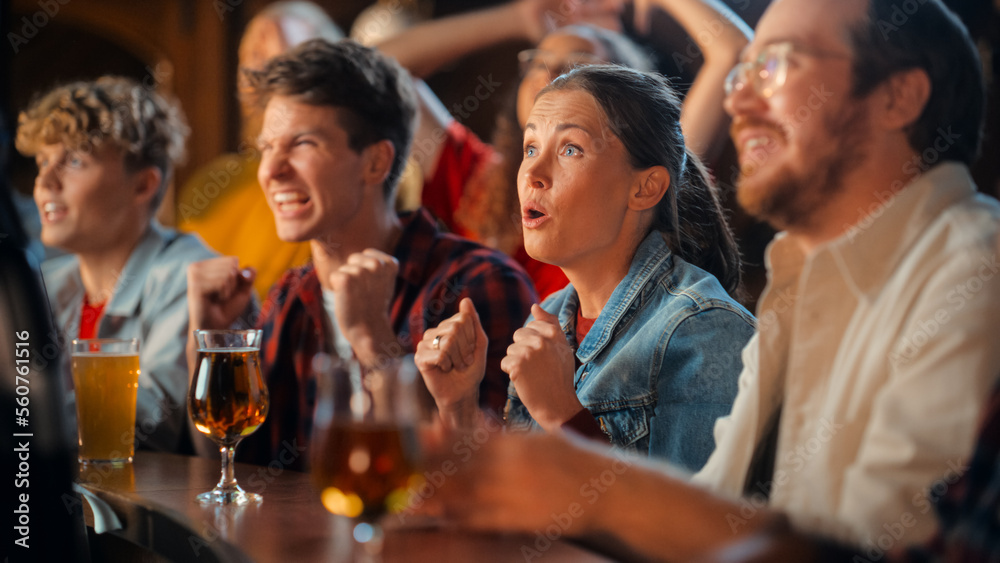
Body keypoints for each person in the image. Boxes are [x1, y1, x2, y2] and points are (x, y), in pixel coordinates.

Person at [409, 0, 1000, 556]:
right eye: (742, 73)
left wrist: (579, 468)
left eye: (775, 65)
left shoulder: (977, 265)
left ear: (898, 96)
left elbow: (881, 549)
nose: (739, 95)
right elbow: (715, 519)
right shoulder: (800, 287)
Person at [186, 39, 536, 469]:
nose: (271, 171)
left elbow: (477, 479)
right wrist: (207, 340)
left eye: (302, 144)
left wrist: (374, 341)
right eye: (267, 148)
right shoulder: (289, 296)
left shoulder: (479, 284)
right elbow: (232, 466)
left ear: (375, 163)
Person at [416, 65, 755, 470]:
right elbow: (528, 501)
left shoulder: (704, 330)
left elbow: (696, 528)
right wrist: (458, 407)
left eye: (569, 149)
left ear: (644, 188)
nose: (533, 175)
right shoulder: (553, 313)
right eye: (530, 149)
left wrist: (563, 414)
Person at [379, 0, 752, 298]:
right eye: (536, 63)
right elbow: (375, 69)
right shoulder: (481, 179)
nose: (548, 77)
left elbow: (732, 52)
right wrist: (520, 16)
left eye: (574, 67)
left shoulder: (645, 169)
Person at [16, 76, 216, 452]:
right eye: (43, 161)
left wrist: (19, 420)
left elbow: (150, 422)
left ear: (143, 186)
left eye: (74, 160)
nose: (45, 182)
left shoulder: (189, 277)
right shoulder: (46, 283)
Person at [175, 1, 342, 299]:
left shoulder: (351, 174)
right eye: (253, 59)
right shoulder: (213, 183)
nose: (263, 76)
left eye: (287, 59)